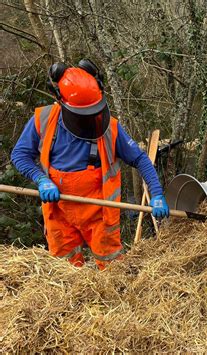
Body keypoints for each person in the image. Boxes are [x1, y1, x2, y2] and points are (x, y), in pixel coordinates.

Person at [11, 59, 169, 269]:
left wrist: (157, 194)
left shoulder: (110, 129)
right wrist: (40, 179)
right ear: (62, 102)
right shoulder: (44, 120)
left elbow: (140, 159)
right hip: (59, 210)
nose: (90, 118)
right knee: (63, 269)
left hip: (100, 212)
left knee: (112, 268)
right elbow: (20, 155)